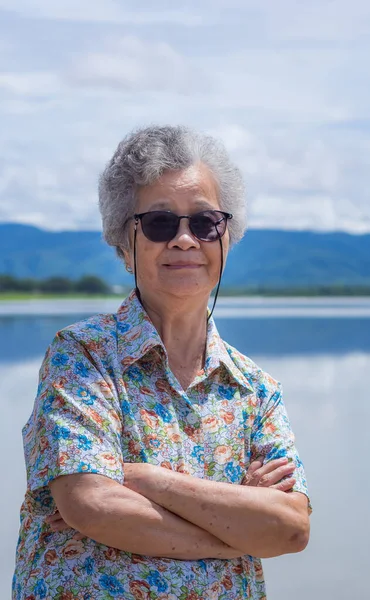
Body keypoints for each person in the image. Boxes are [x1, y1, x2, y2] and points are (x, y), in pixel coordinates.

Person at [12, 125, 311, 600]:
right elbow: (93, 505)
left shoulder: (257, 389)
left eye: (205, 222)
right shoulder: (83, 356)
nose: (185, 240)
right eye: (160, 223)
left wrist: (147, 479)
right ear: (123, 245)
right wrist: (236, 534)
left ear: (226, 238)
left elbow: (290, 530)